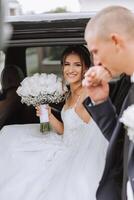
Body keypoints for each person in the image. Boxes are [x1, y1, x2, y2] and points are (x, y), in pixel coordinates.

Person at [0, 45, 108, 200]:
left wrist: (74, 156)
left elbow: (95, 133)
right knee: (10, 134)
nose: (71, 69)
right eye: (67, 64)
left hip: (75, 152)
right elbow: (67, 130)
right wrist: (49, 115)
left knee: (20, 153)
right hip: (65, 141)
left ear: (85, 69)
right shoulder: (70, 93)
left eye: (77, 65)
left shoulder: (87, 95)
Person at [82, 5, 134, 200]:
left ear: (115, 41)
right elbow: (123, 146)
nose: (96, 62)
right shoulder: (129, 86)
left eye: (95, 51)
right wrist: (101, 101)